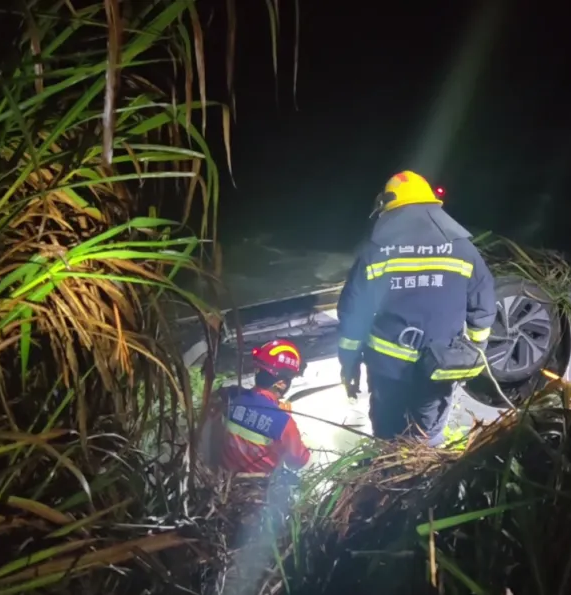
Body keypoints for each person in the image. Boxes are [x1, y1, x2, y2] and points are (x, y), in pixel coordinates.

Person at [336, 171, 497, 446]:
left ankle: (389, 466)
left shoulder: (374, 251)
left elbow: (353, 316)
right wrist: (475, 347)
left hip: (387, 368)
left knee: (388, 433)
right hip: (439, 365)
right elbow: (483, 305)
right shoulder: (463, 248)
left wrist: (349, 365)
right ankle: (426, 468)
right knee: (427, 436)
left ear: (388, 207)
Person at [210, 339, 312, 473]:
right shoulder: (283, 422)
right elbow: (297, 462)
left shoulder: (229, 395)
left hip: (221, 476)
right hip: (258, 484)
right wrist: (285, 416)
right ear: (281, 383)